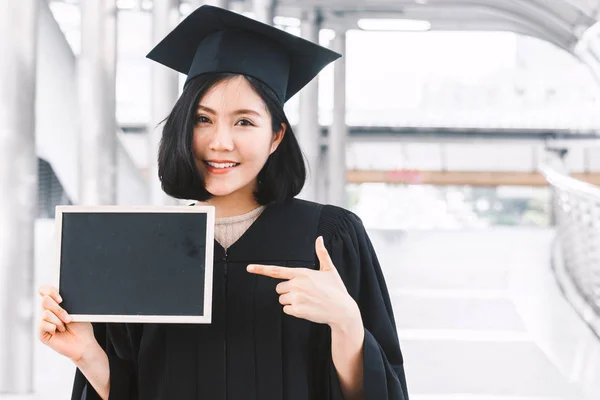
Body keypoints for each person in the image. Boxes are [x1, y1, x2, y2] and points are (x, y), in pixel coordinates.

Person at [38, 5, 409, 400]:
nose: (220, 142)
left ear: (276, 136)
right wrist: (88, 355)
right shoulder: (144, 245)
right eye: (203, 119)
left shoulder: (330, 238)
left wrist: (347, 323)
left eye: (245, 121)